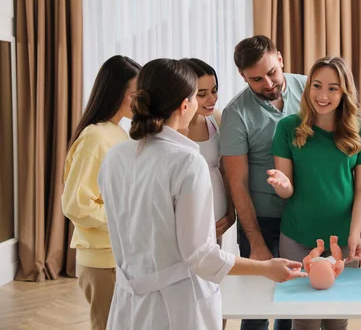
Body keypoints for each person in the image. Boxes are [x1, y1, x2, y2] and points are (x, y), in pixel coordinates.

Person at [97, 58, 306, 329]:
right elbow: (201, 256)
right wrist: (267, 268)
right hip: (177, 304)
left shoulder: (115, 156)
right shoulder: (185, 161)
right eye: (197, 95)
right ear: (185, 105)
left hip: (128, 303)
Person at [267, 56, 361, 330]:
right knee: (304, 319)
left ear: (344, 92)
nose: (323, 95)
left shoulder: (360, 132)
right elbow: (287, 189)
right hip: (298, 237)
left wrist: (355, 233)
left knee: (337, 317)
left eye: (333, 88)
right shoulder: (288, 127)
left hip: (343, 239)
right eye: (316, 86)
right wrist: (282, 185)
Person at [220, 36, 307, 330]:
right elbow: (237, 183)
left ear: (280, 59)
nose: (268, 84)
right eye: (256, 79)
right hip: (263, 219)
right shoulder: (235, 114)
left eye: (272, 72)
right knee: (257, 305)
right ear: (242, 76)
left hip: (304, 215)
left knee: (293, 300)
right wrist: (255, 243)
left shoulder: (310, 89)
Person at [61, 55, 141, 330]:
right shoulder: (95, 137)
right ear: (116, 93)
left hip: (119, 253)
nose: (140, 101)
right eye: (134, 94)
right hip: (101, 258)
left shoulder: (119, 133)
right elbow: (76, 204)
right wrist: (127, 220)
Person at [180, 58, 236, 250]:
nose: (212, 99)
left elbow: (225, 170)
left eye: (214, 90)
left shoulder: (217, 119)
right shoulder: (173, 128)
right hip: (185, 227)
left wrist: (230, 212)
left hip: (217, 223)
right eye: (202, 94)